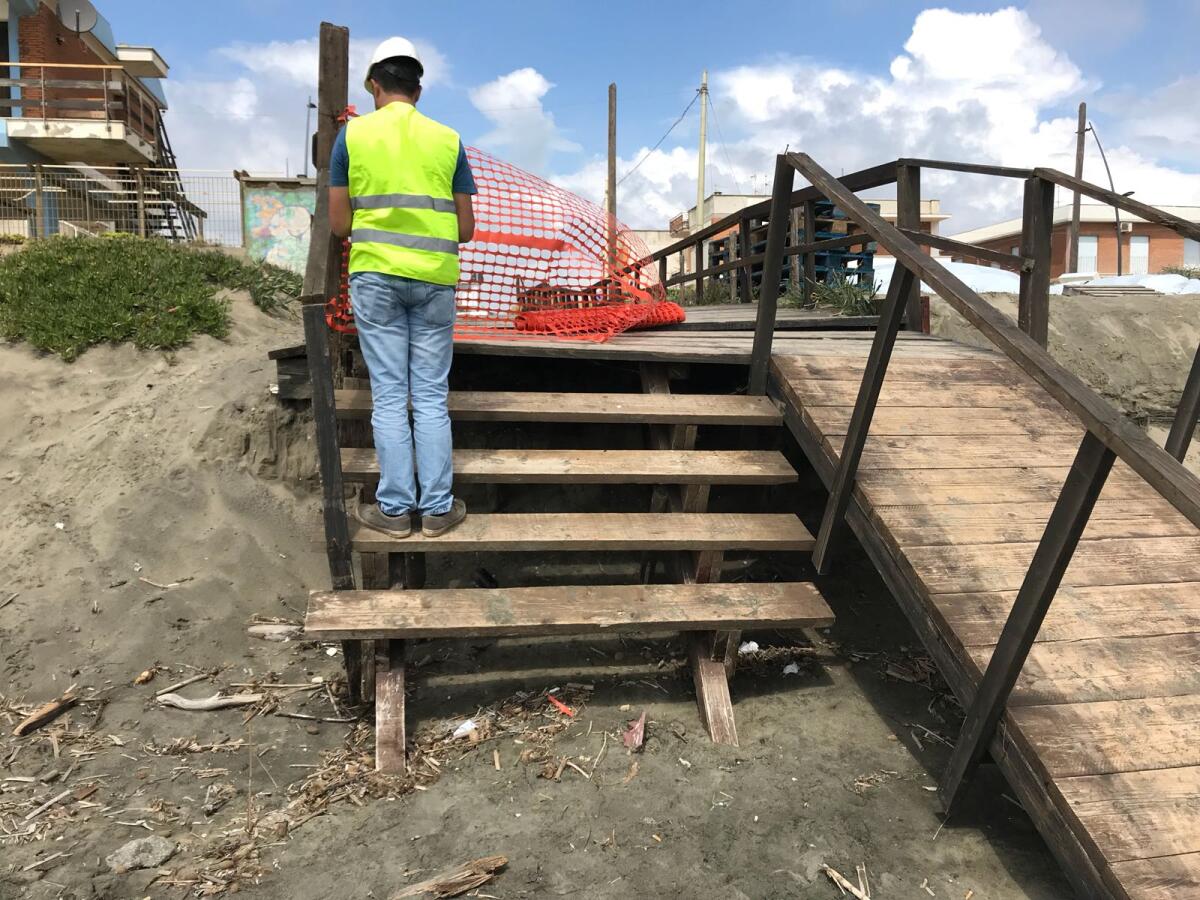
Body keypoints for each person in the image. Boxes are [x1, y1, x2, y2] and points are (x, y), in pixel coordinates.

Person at [329, 37, 476, 538]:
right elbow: (466, 228)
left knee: (390, 396)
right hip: (435, 278)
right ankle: (437, 509)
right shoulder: (448, 139)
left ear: (374, 84)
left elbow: (338, 224)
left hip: (376, 278)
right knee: (431, 396)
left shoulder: (352, 137)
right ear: (418, 88)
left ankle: (393, 511)